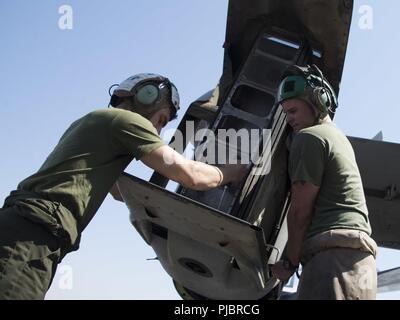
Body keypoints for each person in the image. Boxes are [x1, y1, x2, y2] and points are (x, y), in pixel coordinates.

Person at [0, 73, 242, 300]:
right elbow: (190, 175)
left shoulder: (94, 122)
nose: (158, 130)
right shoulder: (127, 121)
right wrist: (231, 172)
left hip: (28, 227)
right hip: (35, 232)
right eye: (162, 120)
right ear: (148, 97)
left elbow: (118, 192)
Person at [270, 65, 378, 300]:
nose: (289, 119)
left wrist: (289, 262)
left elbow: (300, 212)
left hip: (333, 262)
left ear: (319, 100)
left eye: (294, 110)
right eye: (286, 113)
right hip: (356, 265)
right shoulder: (337, 137)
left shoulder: (309, 138)